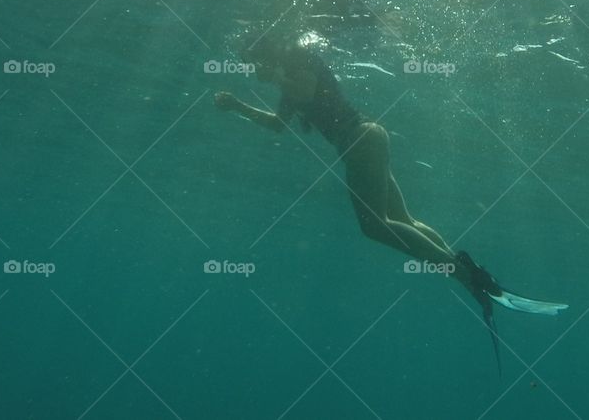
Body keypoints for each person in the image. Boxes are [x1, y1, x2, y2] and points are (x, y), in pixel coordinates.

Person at [214, 33, 567, 372]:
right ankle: (465, 273)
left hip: (360, 140)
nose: (251, 70)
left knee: (374, 225)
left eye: (251, 62)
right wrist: (236, 106)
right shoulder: (286, 80)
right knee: (401, 218)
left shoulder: (297, 62)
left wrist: (275, 74)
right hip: (365, 139)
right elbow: (279, 125)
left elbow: (306, 89)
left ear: (265, 54)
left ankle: (467, 274)